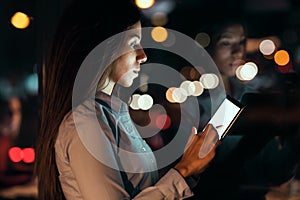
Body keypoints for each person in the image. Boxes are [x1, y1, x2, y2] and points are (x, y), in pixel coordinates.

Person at [34, 0, 220, 199]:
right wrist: (183, 171)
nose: (143, 55)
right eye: (133, 43)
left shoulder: (108, 115)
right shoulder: (86, 122)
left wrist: (189, 170)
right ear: (103, 47)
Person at [189, 15, 300, 200]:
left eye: (241, 42)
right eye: (226, 43)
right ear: (206, 49)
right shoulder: (195, 104)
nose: (237, 52)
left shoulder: (251, 96)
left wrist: (293, 143)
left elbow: (273, 170)